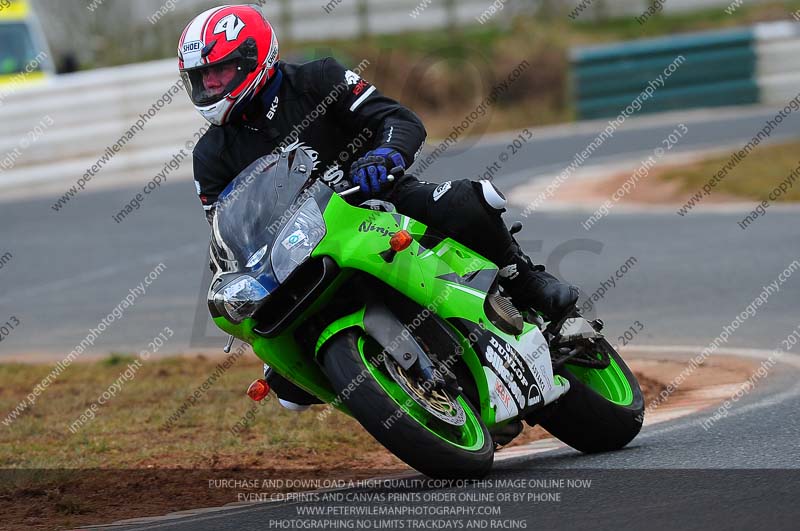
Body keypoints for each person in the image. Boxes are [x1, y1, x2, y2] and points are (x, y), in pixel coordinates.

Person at [179, 5, 579, 407]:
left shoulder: (318, 78)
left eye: (219, 71)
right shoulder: (210, 155)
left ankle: (523, 277)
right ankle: (383, 391)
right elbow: (228, 232)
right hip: (300, 251)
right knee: (285, 384)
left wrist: (384, 155)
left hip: (378, 199)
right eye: (201, 78)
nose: (210, 85)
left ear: (254, 57)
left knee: (466, 201)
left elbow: (399, 119)